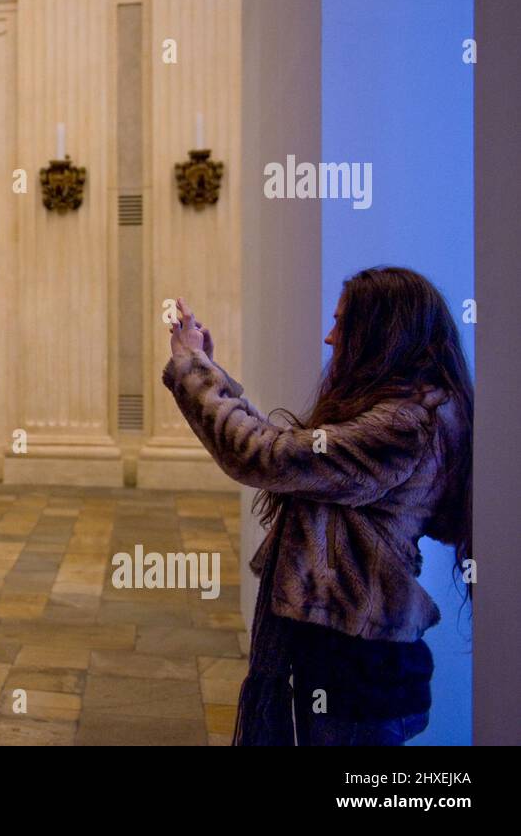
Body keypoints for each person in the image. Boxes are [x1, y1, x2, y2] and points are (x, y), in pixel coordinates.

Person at [161, 267, 472, 746]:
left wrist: (192, 370)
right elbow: (292, 456)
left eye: (343, 324)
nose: (330, 338)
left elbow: (265, 456)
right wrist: (208, 372)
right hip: (349, 651)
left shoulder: (405, 426)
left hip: (358, 664)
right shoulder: (413, 410)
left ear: (381, 334)